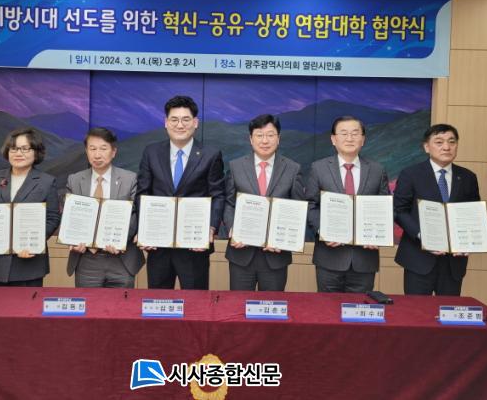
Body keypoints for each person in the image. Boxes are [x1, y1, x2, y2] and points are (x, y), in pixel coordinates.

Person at [136, 95, 225, 290]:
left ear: (195, 123)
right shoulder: (151, 152)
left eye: (186, 119)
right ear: (166, 122)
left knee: (195, 303)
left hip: (194, 246)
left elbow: (218, 195)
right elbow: (142, 193)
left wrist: (211, 228)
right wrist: (144, 229)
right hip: (158, 245)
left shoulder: (210, 154)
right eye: (174, 119)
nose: (180, 125)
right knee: (158, 303)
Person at [306, 116, 390, 293]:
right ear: (333, 139)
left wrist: (378, 235)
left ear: (363, 139)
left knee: (360, 308)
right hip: (329, 257)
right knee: (326, 308)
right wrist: (323, 231)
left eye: (355, 133)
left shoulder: (377, 170)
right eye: (343, 133)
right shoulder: (318, 168)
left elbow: (386, 208)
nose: (349, 138)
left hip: (364, 259)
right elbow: (310, 205)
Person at [394, 123, 480, 296]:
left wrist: (468, 241)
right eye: (439, 142)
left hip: (453, 261)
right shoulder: (410, 174)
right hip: (418, 258)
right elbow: (399, 210)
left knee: (448, 309)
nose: (446, 147)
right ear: (427, 147)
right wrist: (422, 235)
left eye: (452, 142)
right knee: (417, 310)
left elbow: (473, 213)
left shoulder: (468, 177)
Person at [223, 114, 305, 291]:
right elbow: (229, 203)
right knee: (239, 304)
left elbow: (298, 209)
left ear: (278, 138)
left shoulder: (292, 169)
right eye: (259, 135)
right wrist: (232, 228)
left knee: (272, 305)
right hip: (241, 254)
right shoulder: (236, 166)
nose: (265, 140)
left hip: (276, 256)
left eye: (270, 135)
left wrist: (284, 240)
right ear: (251, 139)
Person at [0, 127, 60, 286]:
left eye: (25, 149)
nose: (18, 153)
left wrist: (35, 243)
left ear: (36, 152)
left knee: (27, 303)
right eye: (13, 148)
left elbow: (52, 218)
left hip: (28, 264)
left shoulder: (46, 181)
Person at [65, 127, 144, 288]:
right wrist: (72, 239)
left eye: (103, 148)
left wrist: (120, 240)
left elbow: (136, 214)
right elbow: (69, 215)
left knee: (121, 303)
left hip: (121, 258)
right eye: (92, 149)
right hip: (86, 259)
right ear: (86, 151)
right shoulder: (75, 180)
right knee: (88, 303)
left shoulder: (130, 179)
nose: (97, 155)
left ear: (113, 152)